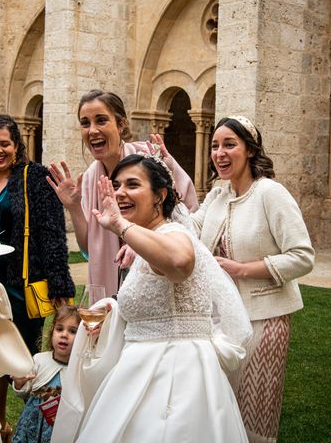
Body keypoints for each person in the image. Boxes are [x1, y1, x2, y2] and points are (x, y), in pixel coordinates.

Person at [52, 154, 252, 443]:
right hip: (141, 367)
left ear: (160, 196)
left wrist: (121, 226)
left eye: (132, 185)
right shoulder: (149, 239)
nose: (120, 192)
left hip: (174, 376)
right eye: (117, 185)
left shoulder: (174, 232)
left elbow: (180, 261)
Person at [189, 116, 315, 443]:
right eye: (215, 146)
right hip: (220, 321)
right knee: (222, 407)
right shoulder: (218, 194)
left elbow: (302, 256)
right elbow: (188, 229)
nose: (219, 152)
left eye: (229, 144)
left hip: (265, 320)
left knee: (255, 413)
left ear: (249, 149)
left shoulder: (271, 193)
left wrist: (240, 269)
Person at [0, 114, 75, 441]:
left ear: (17, 145)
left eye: (5, 143)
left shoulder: (34, 178)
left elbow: (51, 233)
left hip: (21, 283)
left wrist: (60, 283)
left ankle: (35, 428)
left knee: (23, 362)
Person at [47, 89, 198, 298]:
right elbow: (89, 247)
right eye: (85, 123)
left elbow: (188, 215)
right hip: (113, 281)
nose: (92, 130)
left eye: (101, 120)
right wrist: (74, 206)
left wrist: (142, 242)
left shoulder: (148, 159)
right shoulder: (91, 178)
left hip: (157, 276)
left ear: (121, 124)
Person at [11, 305, 80, 443]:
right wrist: (19, 384)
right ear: (52, 331)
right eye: (59, 329)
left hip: (62, 429)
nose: (64, 335)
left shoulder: (80, 369)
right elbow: (24, 393)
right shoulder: (39, 360)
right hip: (32, 425)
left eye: (73, 331)